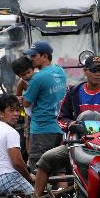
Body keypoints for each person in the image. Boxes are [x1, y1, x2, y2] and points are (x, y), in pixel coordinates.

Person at [33, 55, 100, 197]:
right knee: (46, 159)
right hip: (75, 143)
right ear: (85, 71)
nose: (97, 73)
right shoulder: (73, 92)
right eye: (93, 70)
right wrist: (72, 125)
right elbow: (61, 118)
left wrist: (96, 131)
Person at [22, 41, 67, 171]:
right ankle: (62, 191)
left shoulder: (38, 78)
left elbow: (26, 102)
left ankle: (38, 192)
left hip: (42, 129)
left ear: (45, 56)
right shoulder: (60, 70)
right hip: (60, 129)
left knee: (37, 168)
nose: (31, 60)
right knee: (59, 169)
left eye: (34, 56)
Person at [0, 93, 35, 196]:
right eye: (11, 111)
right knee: (36, 196)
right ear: (1, 113)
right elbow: (17, 162)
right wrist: (29, 177)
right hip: (6, 179)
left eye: (17, 110)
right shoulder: (11, 132)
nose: (16, 114)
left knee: (25, 196)